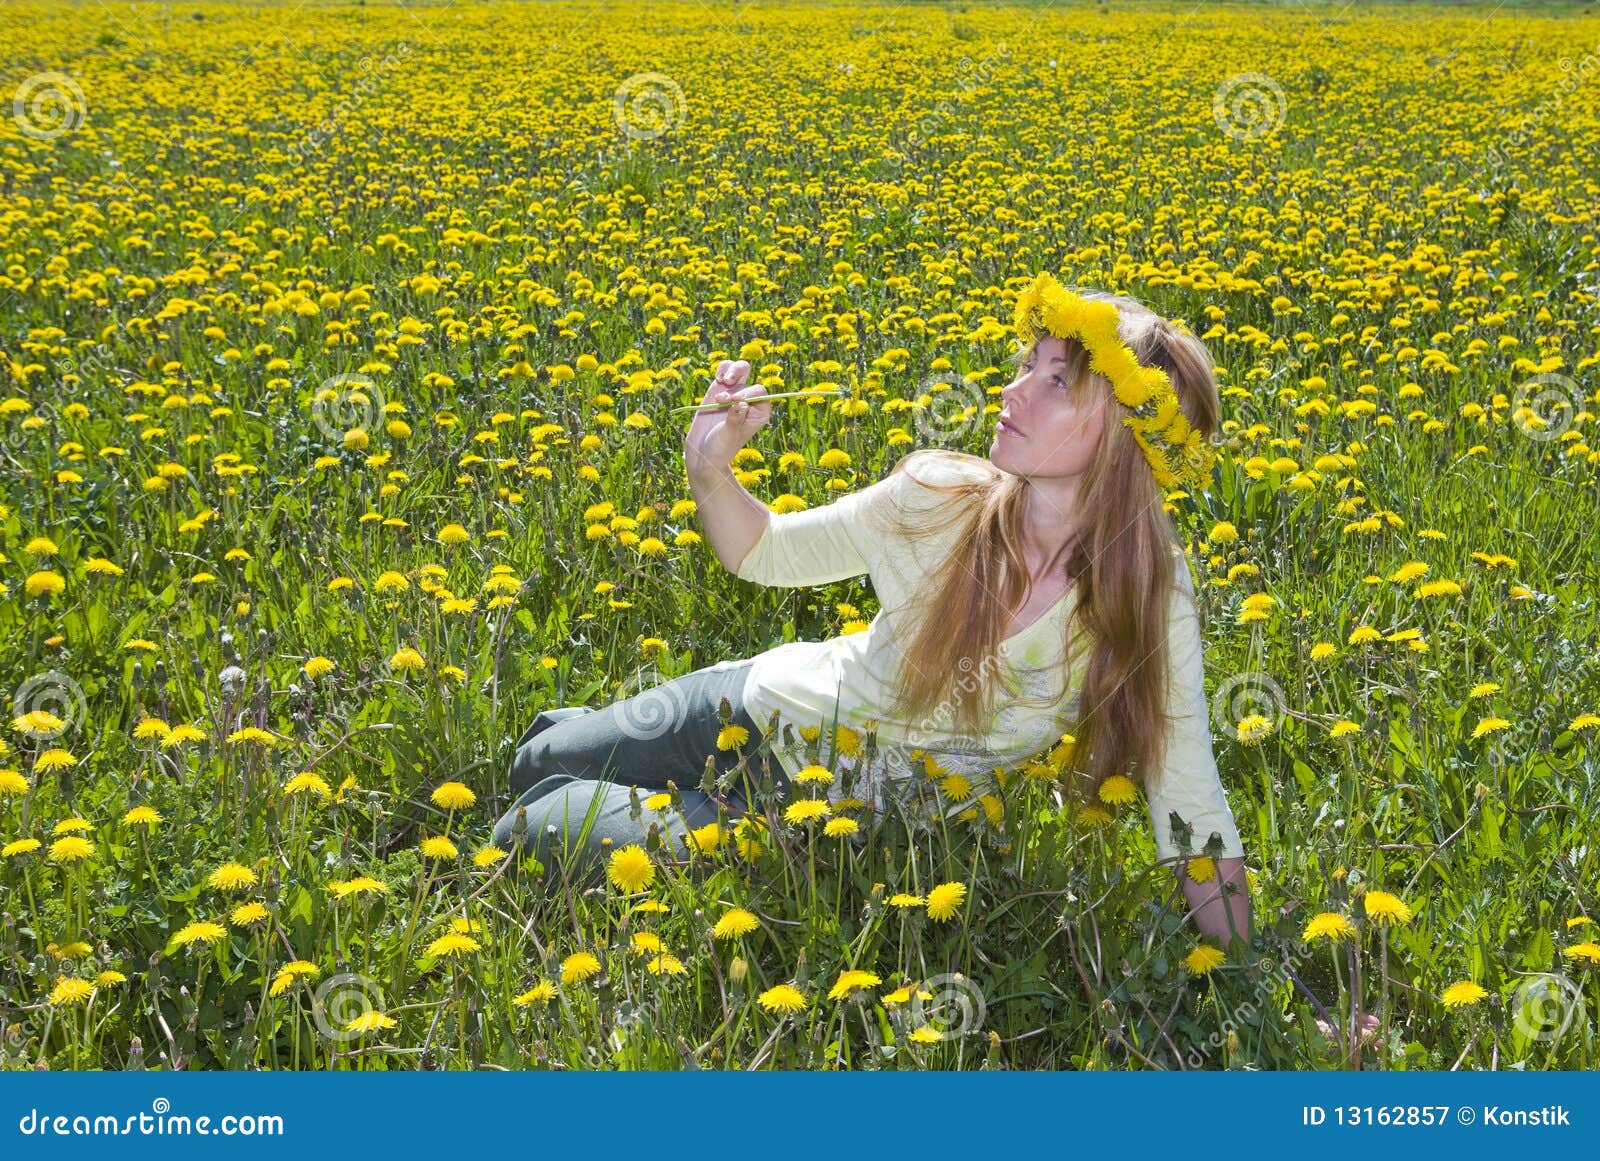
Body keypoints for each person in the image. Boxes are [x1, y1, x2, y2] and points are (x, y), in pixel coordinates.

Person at [490, 270, 1250, 948]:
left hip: (827, 820)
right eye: (1026, 365)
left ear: (1122, 434)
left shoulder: (1151, 602)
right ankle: (589, 748)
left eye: (1055, 381)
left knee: (524, 829)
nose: (1013, 390)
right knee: (530, 762)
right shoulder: (938, 493)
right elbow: (764, 551)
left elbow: (1192, 806)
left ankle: (624, 794)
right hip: (755, 703)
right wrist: (708, 465)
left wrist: (1247, 976)